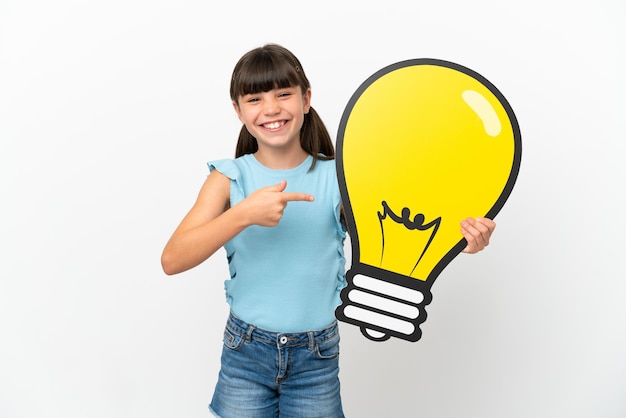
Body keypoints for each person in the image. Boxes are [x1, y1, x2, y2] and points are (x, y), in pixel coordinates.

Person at [161, 43, 496, 418]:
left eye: (283, 94)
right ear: (238, 111)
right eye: (255, 99)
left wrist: (458, 243)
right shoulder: (228, 178)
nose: (271, 108)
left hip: (315, 358)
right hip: (245, 355)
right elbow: (173, 259)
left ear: (306, 99)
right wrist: (242, 214)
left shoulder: (341, 179)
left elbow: (394, 231)